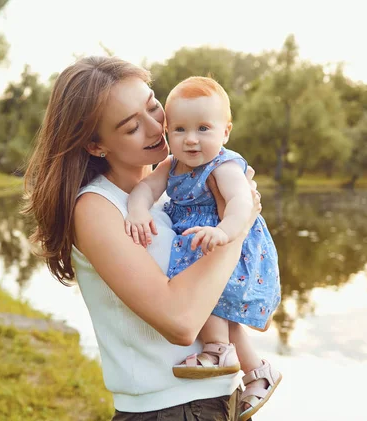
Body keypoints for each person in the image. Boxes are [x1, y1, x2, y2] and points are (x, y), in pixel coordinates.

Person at [23, 56, 262, 421]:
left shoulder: (174, 192)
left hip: (220, 397)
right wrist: (238, 229)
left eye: (154, 107)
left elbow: (223, 289)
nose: (156, 128)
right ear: (95, 145)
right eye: (133, 126)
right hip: (168, 408)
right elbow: (181, 322)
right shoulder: (96, 208)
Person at [124, 76, 282, 420]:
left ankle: (218, 351)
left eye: (203, 129)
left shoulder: (224, 165)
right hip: (200, 243)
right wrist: (137, 210)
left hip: (228, 242)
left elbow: (242, 202)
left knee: (213, 301)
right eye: (179, 129)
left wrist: (224, 232)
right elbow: (144, 190)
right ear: (168, 132)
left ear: (225, 132)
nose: (191, 139)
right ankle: (257, 372)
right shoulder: (171, 166)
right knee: (217, 307)